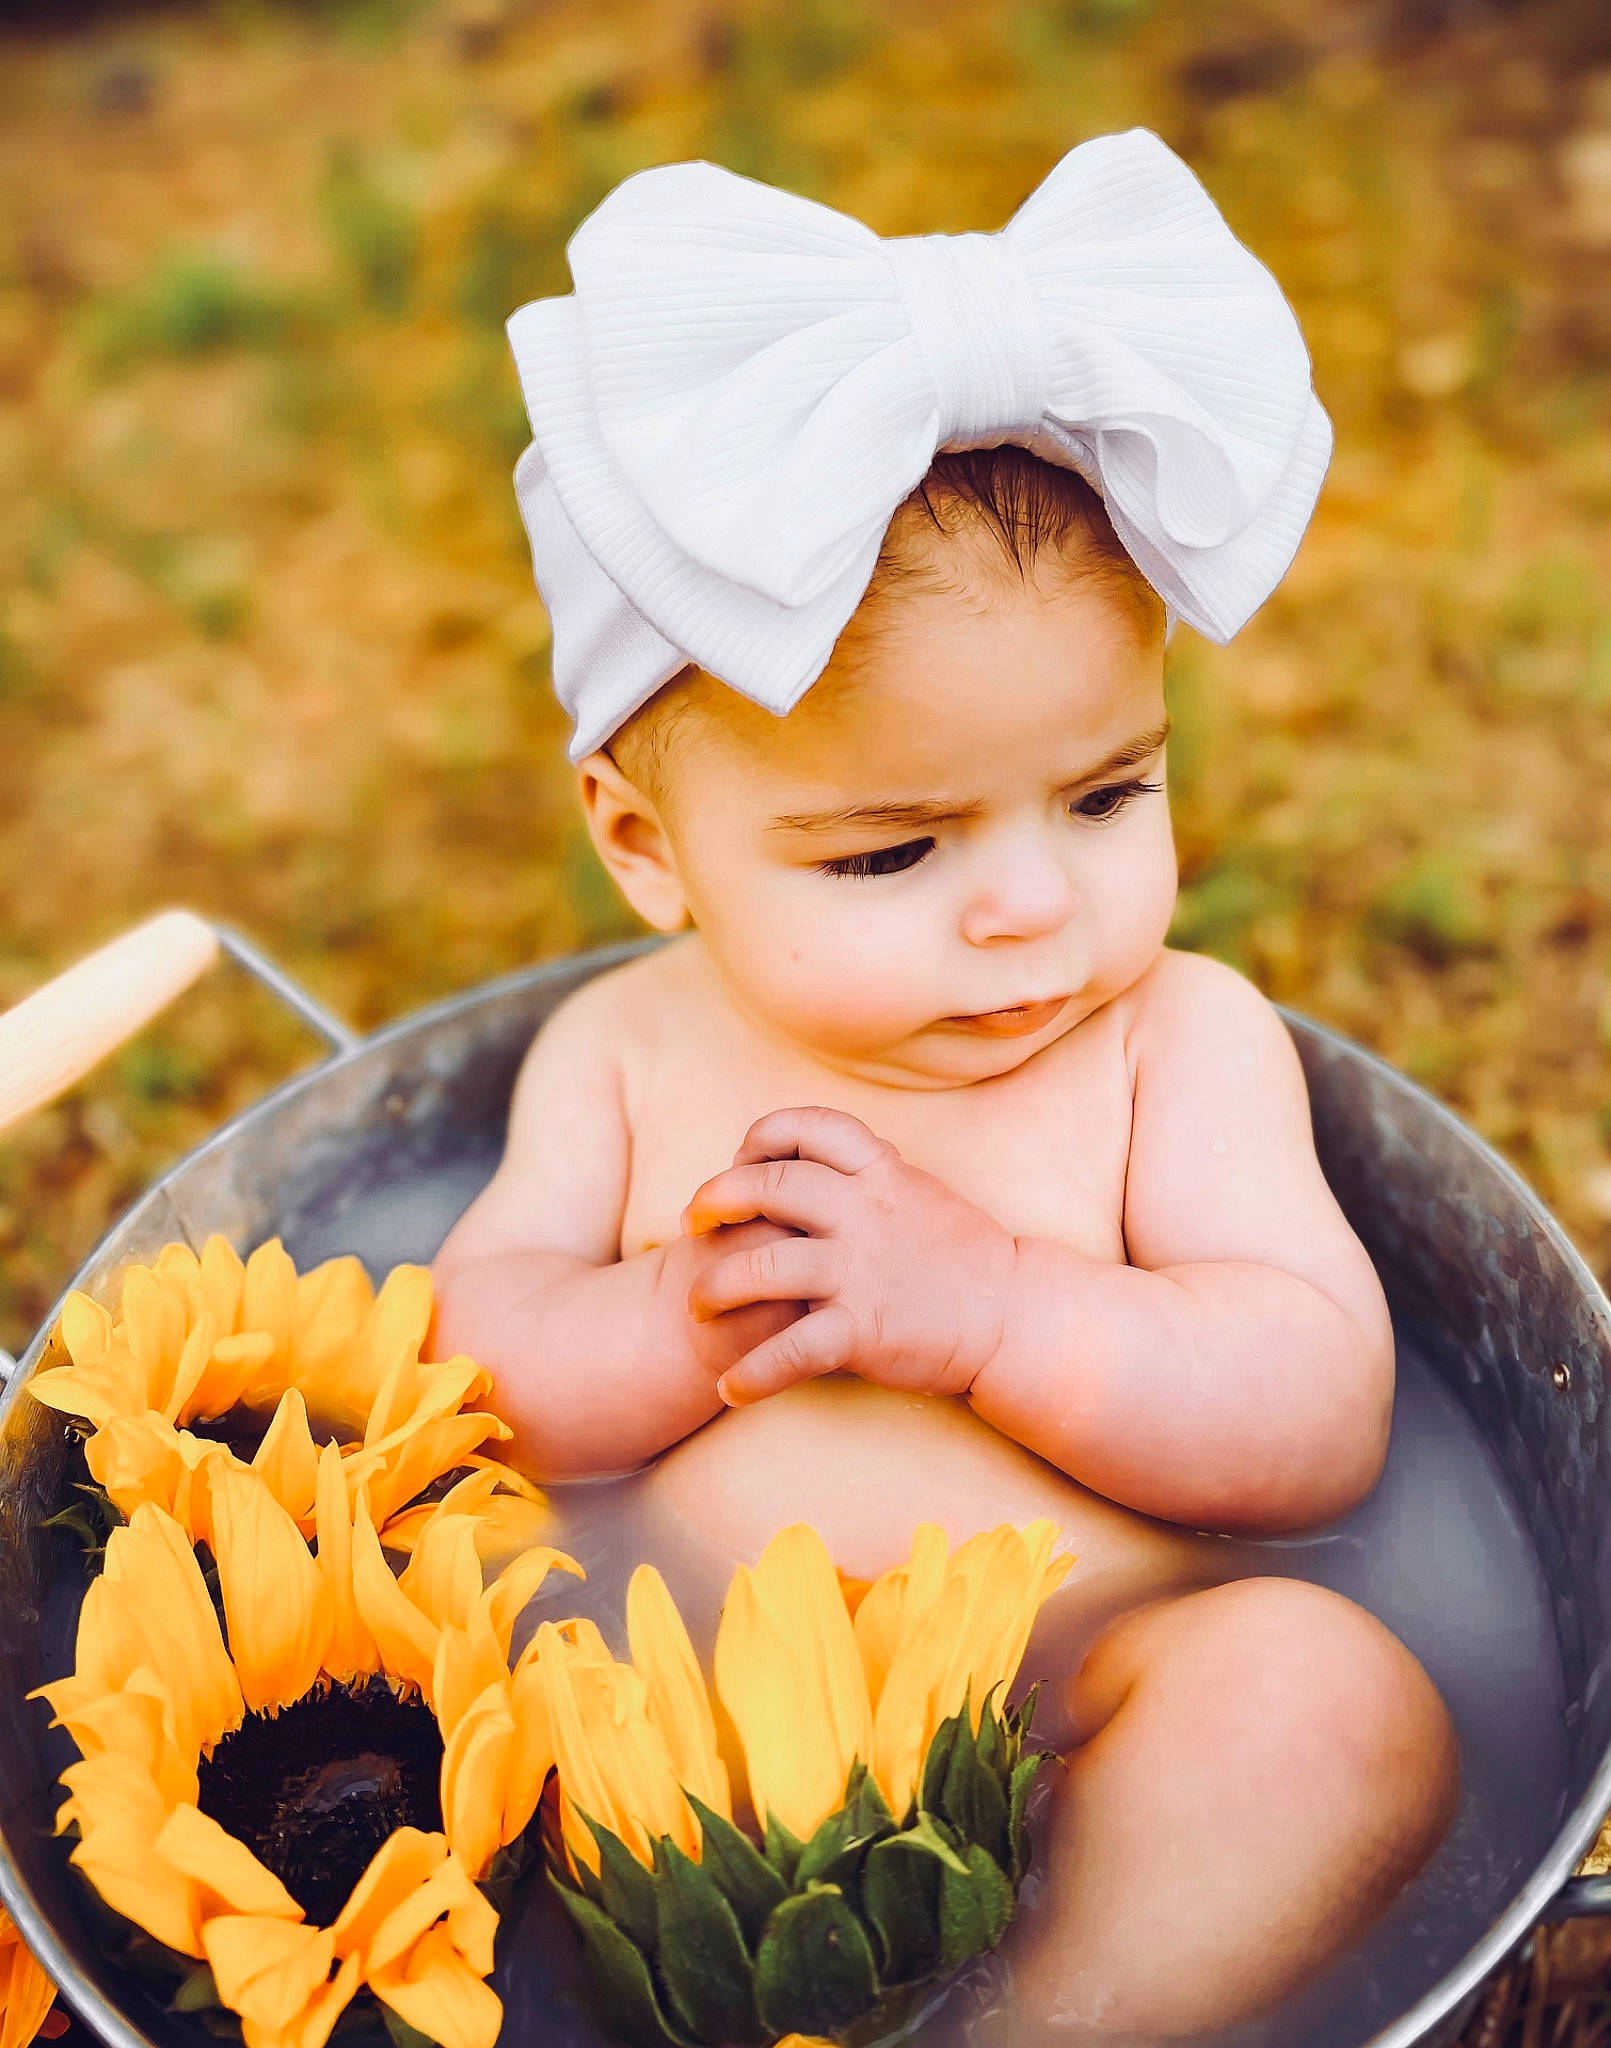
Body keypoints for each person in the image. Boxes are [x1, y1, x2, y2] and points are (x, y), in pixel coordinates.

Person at [431, 131, 1458, 2039]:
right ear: (647, 847)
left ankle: (1032, 2023)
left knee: (1331, 1701)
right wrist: (668, 1315)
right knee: (390, 1716)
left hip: (1090, 1686)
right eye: (891, 854)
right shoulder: (627, 1051)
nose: (1025, 909)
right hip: (656, 1735)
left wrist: (997, 1313)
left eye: (1106, 796)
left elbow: (1318, 1420)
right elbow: (474, 1373)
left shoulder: (1177, 1040)